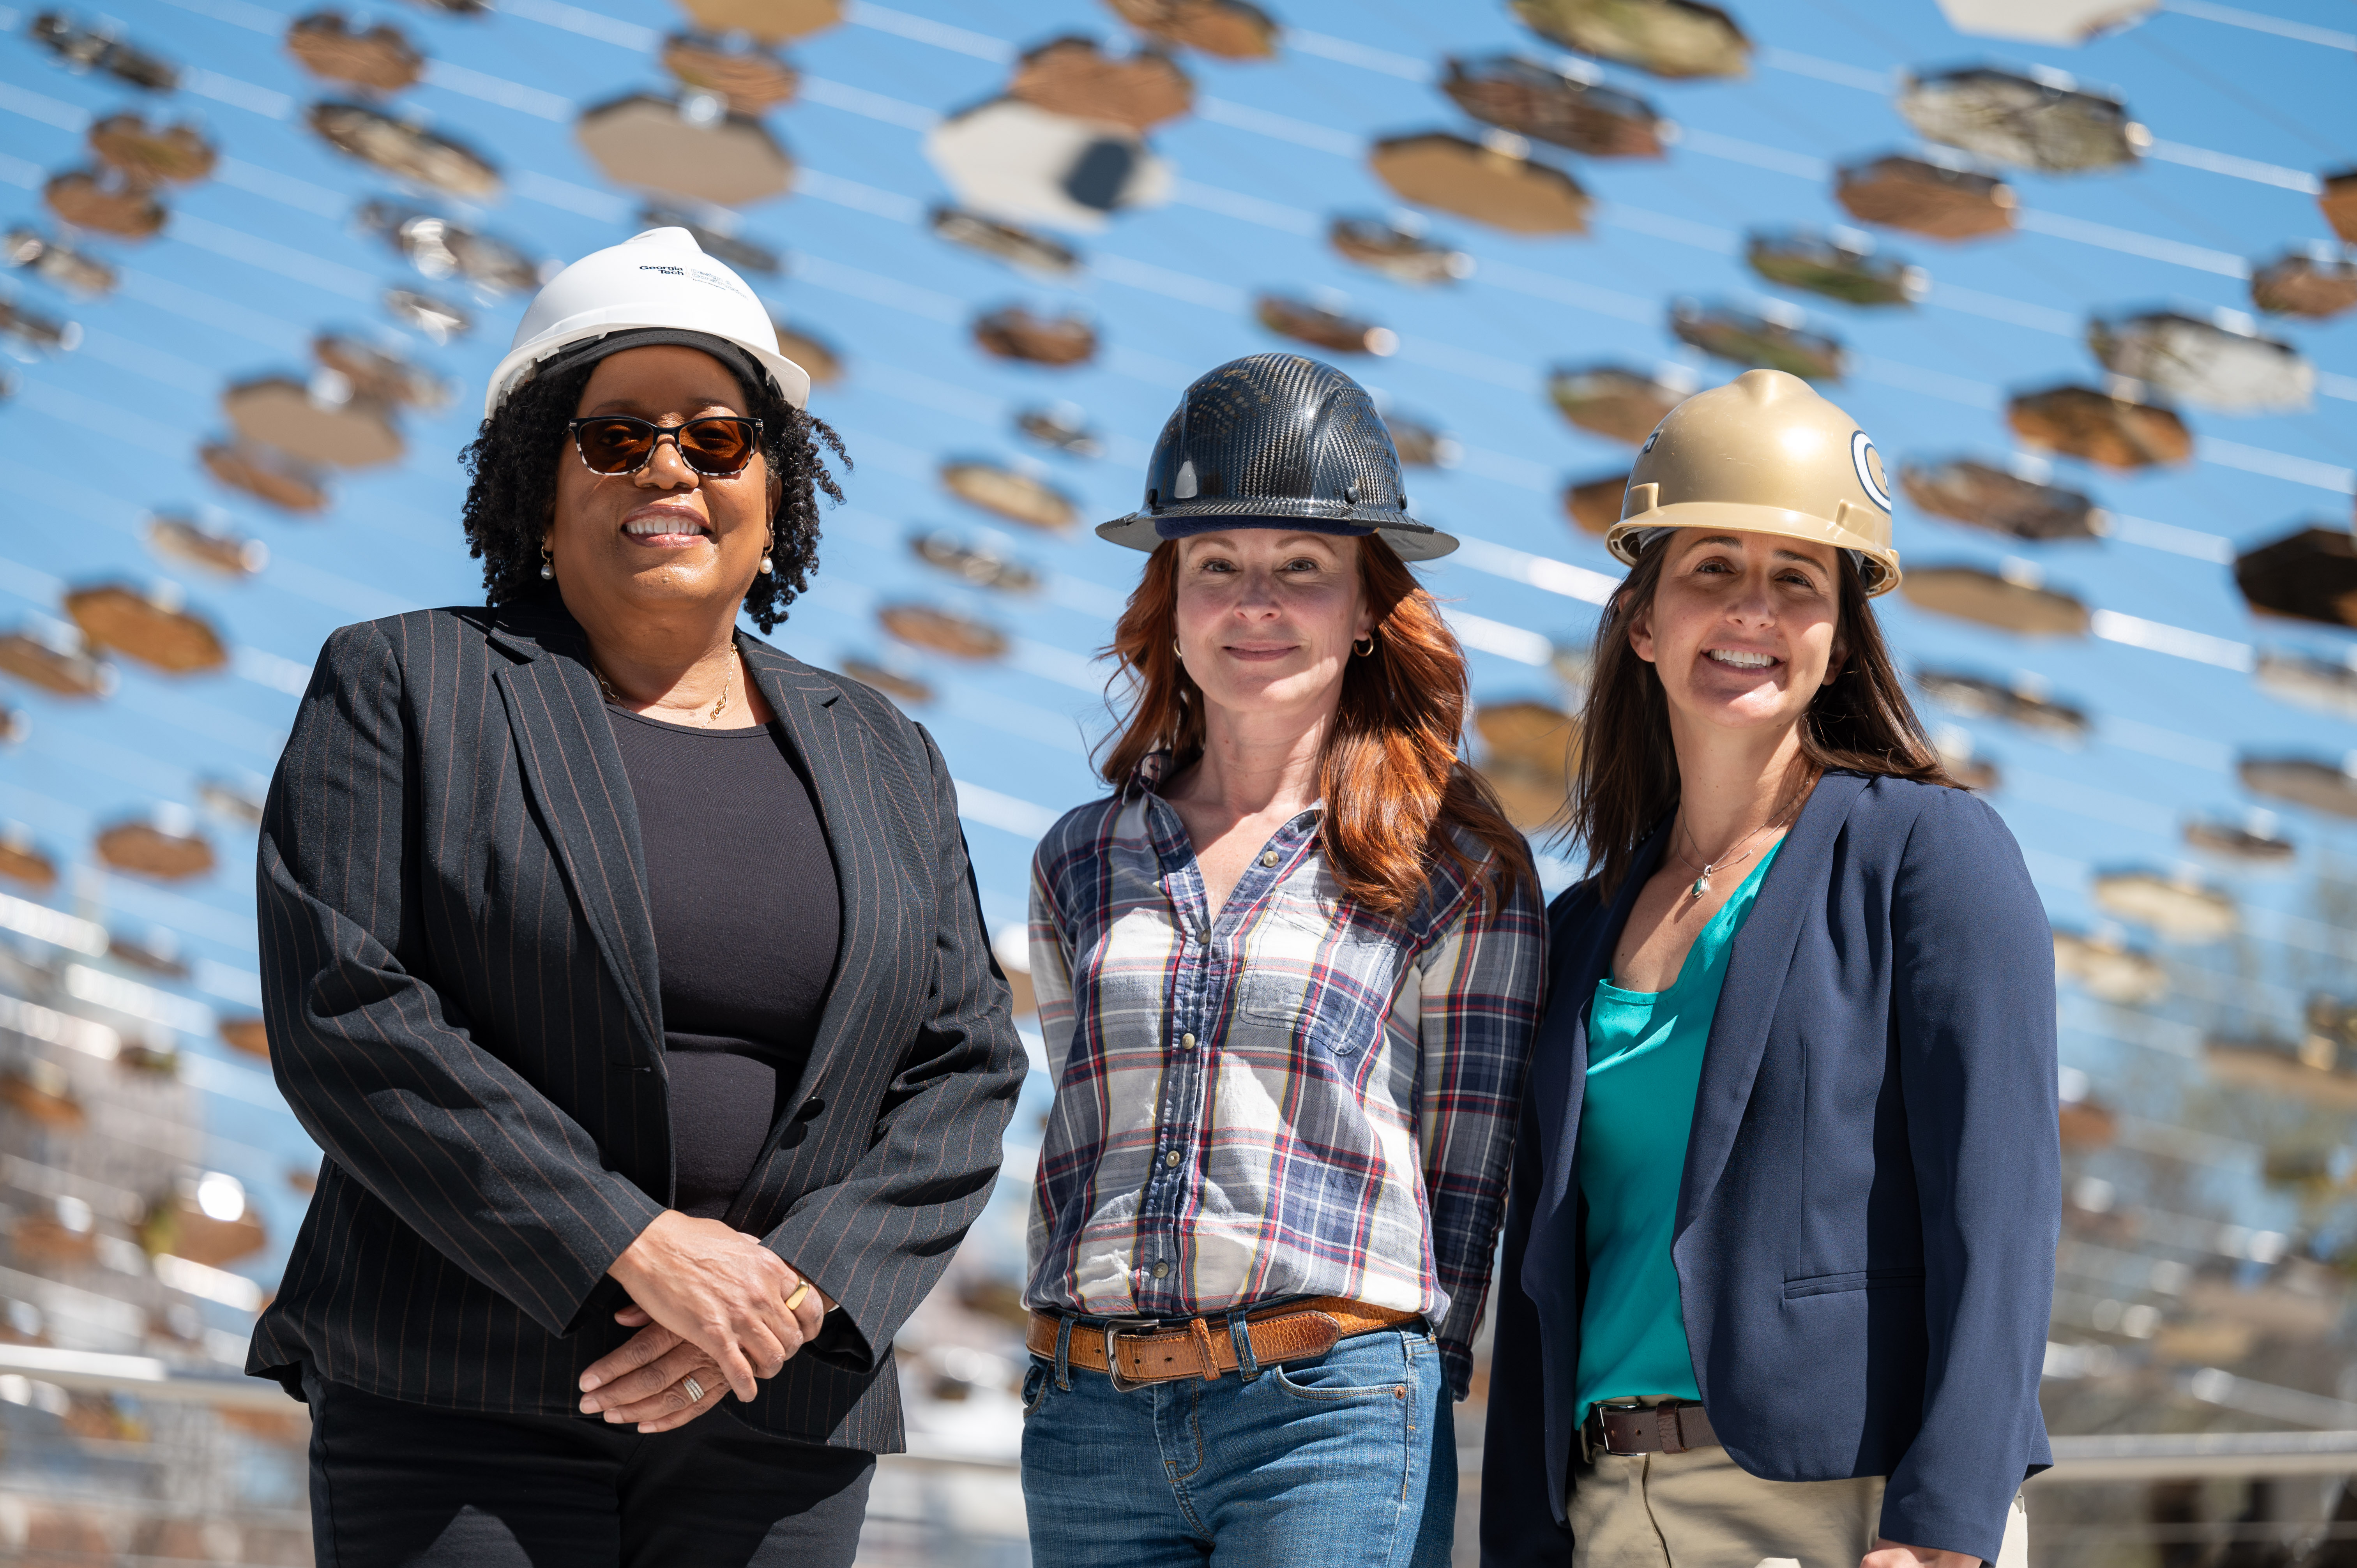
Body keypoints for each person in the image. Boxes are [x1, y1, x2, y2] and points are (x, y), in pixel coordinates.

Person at [249, 227, 1027, 1568]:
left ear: (774, 491)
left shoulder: (884, 749)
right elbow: (347, 1008)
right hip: (461, 1389)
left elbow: (963, 1066)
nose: (669, 466)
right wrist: (630, 1245)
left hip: (777, 1400)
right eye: (616, 438)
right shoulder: (405, 686)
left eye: (717, 439)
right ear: (535, 487)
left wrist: (788, 1290)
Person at [1481, 369, 2057, 1568]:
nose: (1751, 610)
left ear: (1839, 638)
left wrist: (1947, 1524)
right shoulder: (1580, 927)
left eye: (1797, 580)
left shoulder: (1929, 854)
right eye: (1710, 570)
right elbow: (1548, 1277)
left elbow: (2000, 1214)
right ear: (1644, 622)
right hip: (1607, 1512)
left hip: (1842, 1507)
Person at [1018, 353, 1546, 1567]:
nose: (1255, 601)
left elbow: (1471, 1182)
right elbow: (1082, 1130)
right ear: (1172, 603)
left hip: (1333, 1416)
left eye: (1302, 568)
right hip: (1087, 1417)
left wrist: (1411, 1387)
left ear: (1369, 609)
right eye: (1217, 567)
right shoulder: (1080, 858)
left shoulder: (1453, 865)